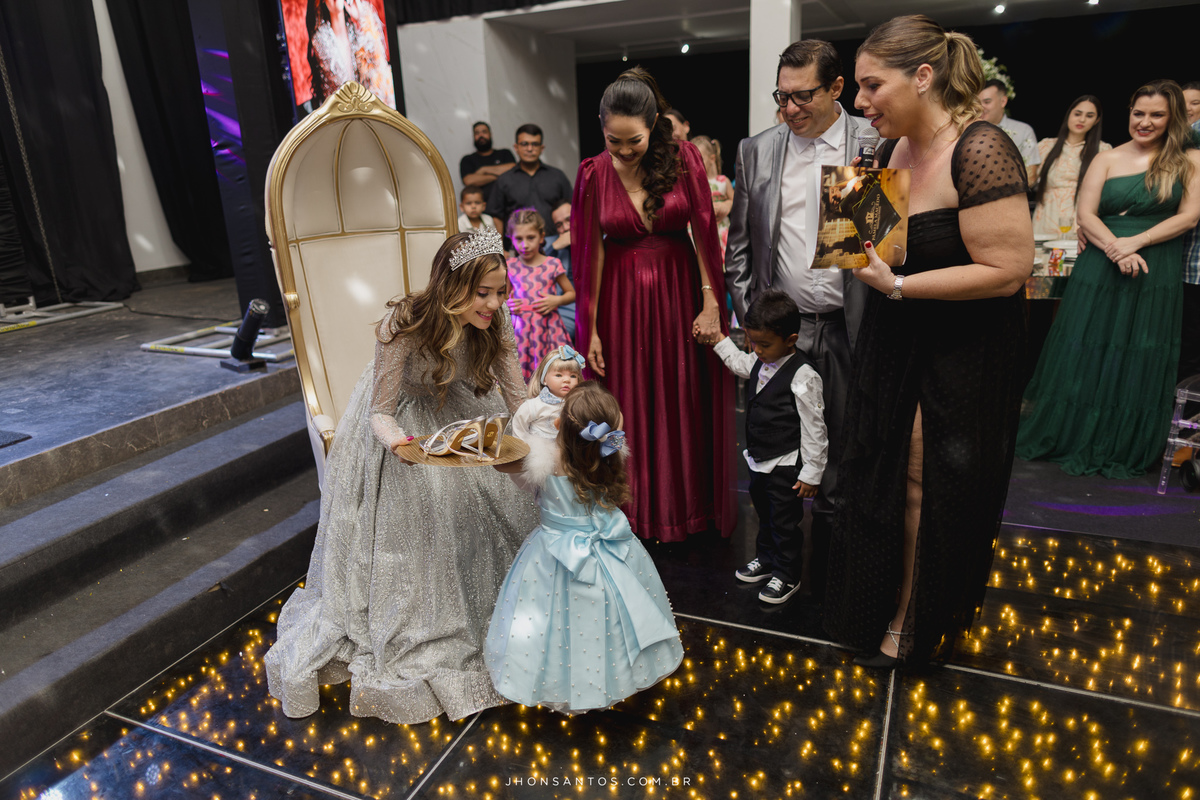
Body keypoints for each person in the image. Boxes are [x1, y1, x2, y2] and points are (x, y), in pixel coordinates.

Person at [824, 15, 1033, 668]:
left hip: (961, 345)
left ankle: (912, 619)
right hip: (895, 333)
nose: (861, 101)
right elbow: (872, 255)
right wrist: (849, 222)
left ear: (922, 76)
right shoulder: (890, 151)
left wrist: (898, 286)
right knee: (880, 472)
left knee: (923, 482)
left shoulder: (981, 146)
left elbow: (1009, 270)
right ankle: (881, 599)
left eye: (871, 86)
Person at [264, 227, 539, 724]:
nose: (495, 304)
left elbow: (518, 398)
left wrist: (544, 434)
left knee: (500, 504)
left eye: (501, 293)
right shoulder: (406, 322)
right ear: (454, 286)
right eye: (483, 293)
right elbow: (380, 412)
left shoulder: (495, 324)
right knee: (430, 516)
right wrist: (401, 445)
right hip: (406, 422)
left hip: (460, 410)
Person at [724, 39, 871, 597]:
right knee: (774, 446)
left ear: (837, 88)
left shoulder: (872, 143)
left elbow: (876, 246)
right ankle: (778, 553)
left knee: (844, 443)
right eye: (781, 97)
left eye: (802, 96)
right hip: (783, 332)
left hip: (847, 323)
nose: (788, 109)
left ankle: (836, 567)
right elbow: (740, 250)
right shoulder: (757, 150)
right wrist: (756, 323)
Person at [573, 67, 736, 542]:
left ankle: (685, 510)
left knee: (682, 399)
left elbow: (703, 234)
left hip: (679, 294)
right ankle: (630, 512)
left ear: (653, 126)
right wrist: (592, 327)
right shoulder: (592, 172)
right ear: (601, 126)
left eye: (635, 142)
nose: (624, 152)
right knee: (624, 401)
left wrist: (710, 302)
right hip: (620, 302)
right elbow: (591, 252)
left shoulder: (684, 159)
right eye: (614, 141)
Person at [1016, 80, 1200, 477]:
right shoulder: (1106, 157)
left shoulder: (1189, 161)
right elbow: (1085, 214)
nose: (1144, 122)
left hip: (1155, 266)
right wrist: (1118, 249)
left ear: (1173, 119)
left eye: (1156, 115)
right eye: (1138, 113)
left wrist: (1137, 242)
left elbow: (1188, 217)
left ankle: (1123, 440)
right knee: (1084, 345)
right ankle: (1071, 433)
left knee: (1140, 350)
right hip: (1100, 263)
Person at [484, 381, 683, 713]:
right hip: (610, 544)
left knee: (547, 621)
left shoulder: (543, 457)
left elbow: (499, 464)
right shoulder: (609, 451)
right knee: (614, 614)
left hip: (554, 552)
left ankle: (555, 682)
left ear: (558, 423)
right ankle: (617, 676)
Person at [710, 290, 827, 604]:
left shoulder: (803, 375)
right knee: (764, 515)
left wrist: (812, 473)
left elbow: (815, 428)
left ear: (790, 340)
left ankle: (787, 574)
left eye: (764, 344)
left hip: (786, 465)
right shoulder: (759, 359)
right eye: (753, 343)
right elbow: (739, 362)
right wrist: (719, 341)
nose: (757, 350)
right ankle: (766, 559)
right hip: (758, 461)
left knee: (784, 524)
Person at [506, 208, 575, 380]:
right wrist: (507, 305)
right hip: (520, 334)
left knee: (553, 375)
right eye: (519, 239)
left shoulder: (552, 264)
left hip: (549, 330)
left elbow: (571, 293)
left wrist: (556, 300)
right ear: (511, 239)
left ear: (541, 237)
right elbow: (502, 298)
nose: (525, 245)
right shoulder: (510, 266)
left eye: (531, 237)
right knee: (521, 378)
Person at [1031, 96, 1112, 237]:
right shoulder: (1045, 146)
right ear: (1069, 114)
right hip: (1045, 218)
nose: (1082, 120)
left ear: (1096, 120)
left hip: (1081, 222)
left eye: (1089, 116)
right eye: (1077, 114)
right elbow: (1027, 180)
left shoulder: (1103, 150)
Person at [488, 124, 574, 237]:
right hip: (517, 243)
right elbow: (497, 217)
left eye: (535, 144)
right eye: (524, 144)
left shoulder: (557, 176)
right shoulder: (504, 180)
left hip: (555, 241)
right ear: (516, 147)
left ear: (542, 148)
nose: (530, 149)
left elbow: (573, 209)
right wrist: (500, 245)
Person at [307, 0, 394, 109]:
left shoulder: (357, 35)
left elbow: (378, 74)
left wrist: (362, 20)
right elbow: (342, 91)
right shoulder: (322, 41)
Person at [512, 345, 583, 441]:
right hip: (538, 449)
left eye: (573, 376)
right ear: (544, 379)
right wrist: (521, 448)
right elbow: (519, 428)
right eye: (559, 375)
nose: (567, 380)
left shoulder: (578, 405)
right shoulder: (534, 406)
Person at [978, 78, 1041, 186]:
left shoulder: (1023, 131)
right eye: (977, 103)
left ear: (1003, 101)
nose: (980, 107)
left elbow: (1031, 176)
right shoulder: (969, 131)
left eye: (987, 102)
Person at [690, 135, 734, 256]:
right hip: (699, 233)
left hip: (721, 231)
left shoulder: (723, 181)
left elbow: (736, 201)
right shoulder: (692, 183)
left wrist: (727, 205)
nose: (695, 165)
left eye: (700, 159)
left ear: (712, 158)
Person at [460, 122, 515, 205]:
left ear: (490, 134)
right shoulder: (467, 159)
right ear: (473, 137)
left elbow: (513, 168)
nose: (481, 135)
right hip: (481, 207)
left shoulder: (504, 153)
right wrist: (498, 176)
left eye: (484, 132)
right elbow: (469, 181)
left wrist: (484, 170)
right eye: (477, 133)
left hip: (508, 203)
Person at [545, 202, 576, 332]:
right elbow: (533, 269)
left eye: (569, 220)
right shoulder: (549, 244)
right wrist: (553, 248)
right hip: (561, 305)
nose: (566, 228)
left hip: (594, 304)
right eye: (559, 225)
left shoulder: (601, 240)